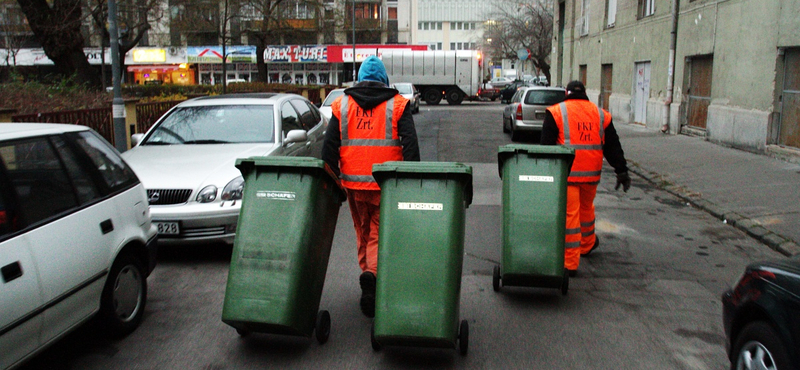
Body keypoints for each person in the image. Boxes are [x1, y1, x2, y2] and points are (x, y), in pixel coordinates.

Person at [322, 56, 420, 317]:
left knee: (363, 231)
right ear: (384, 80)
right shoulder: (397, 105)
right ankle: (373, 277)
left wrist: (331, 183)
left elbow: (329, 149)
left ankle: (369, 274)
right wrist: (411, 179)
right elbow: (411, 146)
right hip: (386, 184)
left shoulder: (342, 105)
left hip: (353, 184)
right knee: (379, 232)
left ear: (360, 78)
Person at [540, 80, 631, 277]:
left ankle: (570, 263)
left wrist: (546, 174)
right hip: (591, 174)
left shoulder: (556, 112)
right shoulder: (600, 115)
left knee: (570, 215)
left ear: (567, 93)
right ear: (585, 94)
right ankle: (587, 244)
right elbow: (613, 146)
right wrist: (621, 170)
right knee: (586, 209)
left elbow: (545, 146)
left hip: (568, 174)